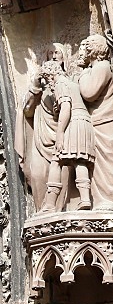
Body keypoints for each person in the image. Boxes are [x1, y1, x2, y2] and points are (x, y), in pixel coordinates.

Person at [39, 59, 96, 213]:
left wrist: (60, 133)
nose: (48, 83)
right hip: (84, 122)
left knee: (56, 160)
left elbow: (66, 108)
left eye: (46, 78)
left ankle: (50, 204)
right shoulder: (71, 83)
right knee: (79, 160)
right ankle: (85, 199)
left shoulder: (59, 84)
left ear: (50, 76)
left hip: (73, 123)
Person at [77, 35, 113, 208]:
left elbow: (89, 92)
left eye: (84, 48)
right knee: (98, 167)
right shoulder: (98, 68)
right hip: (98, 122)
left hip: (106, 122)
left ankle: (111, 199)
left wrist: (82, 74)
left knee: (109, 165)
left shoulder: (102, 67)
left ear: (92, 50)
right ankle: (101, 200)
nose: (81, 52)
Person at [15, 49, 65, 210]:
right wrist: (36, 86)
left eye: (57, 52)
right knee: (37, 174)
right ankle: (42, 212)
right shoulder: (39, 89)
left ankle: (61, 211)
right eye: (50, 53)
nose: (54, 56)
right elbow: (27, 110)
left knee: (63, 174)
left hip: (61, 138)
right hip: (40, 139)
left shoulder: (68, 82)